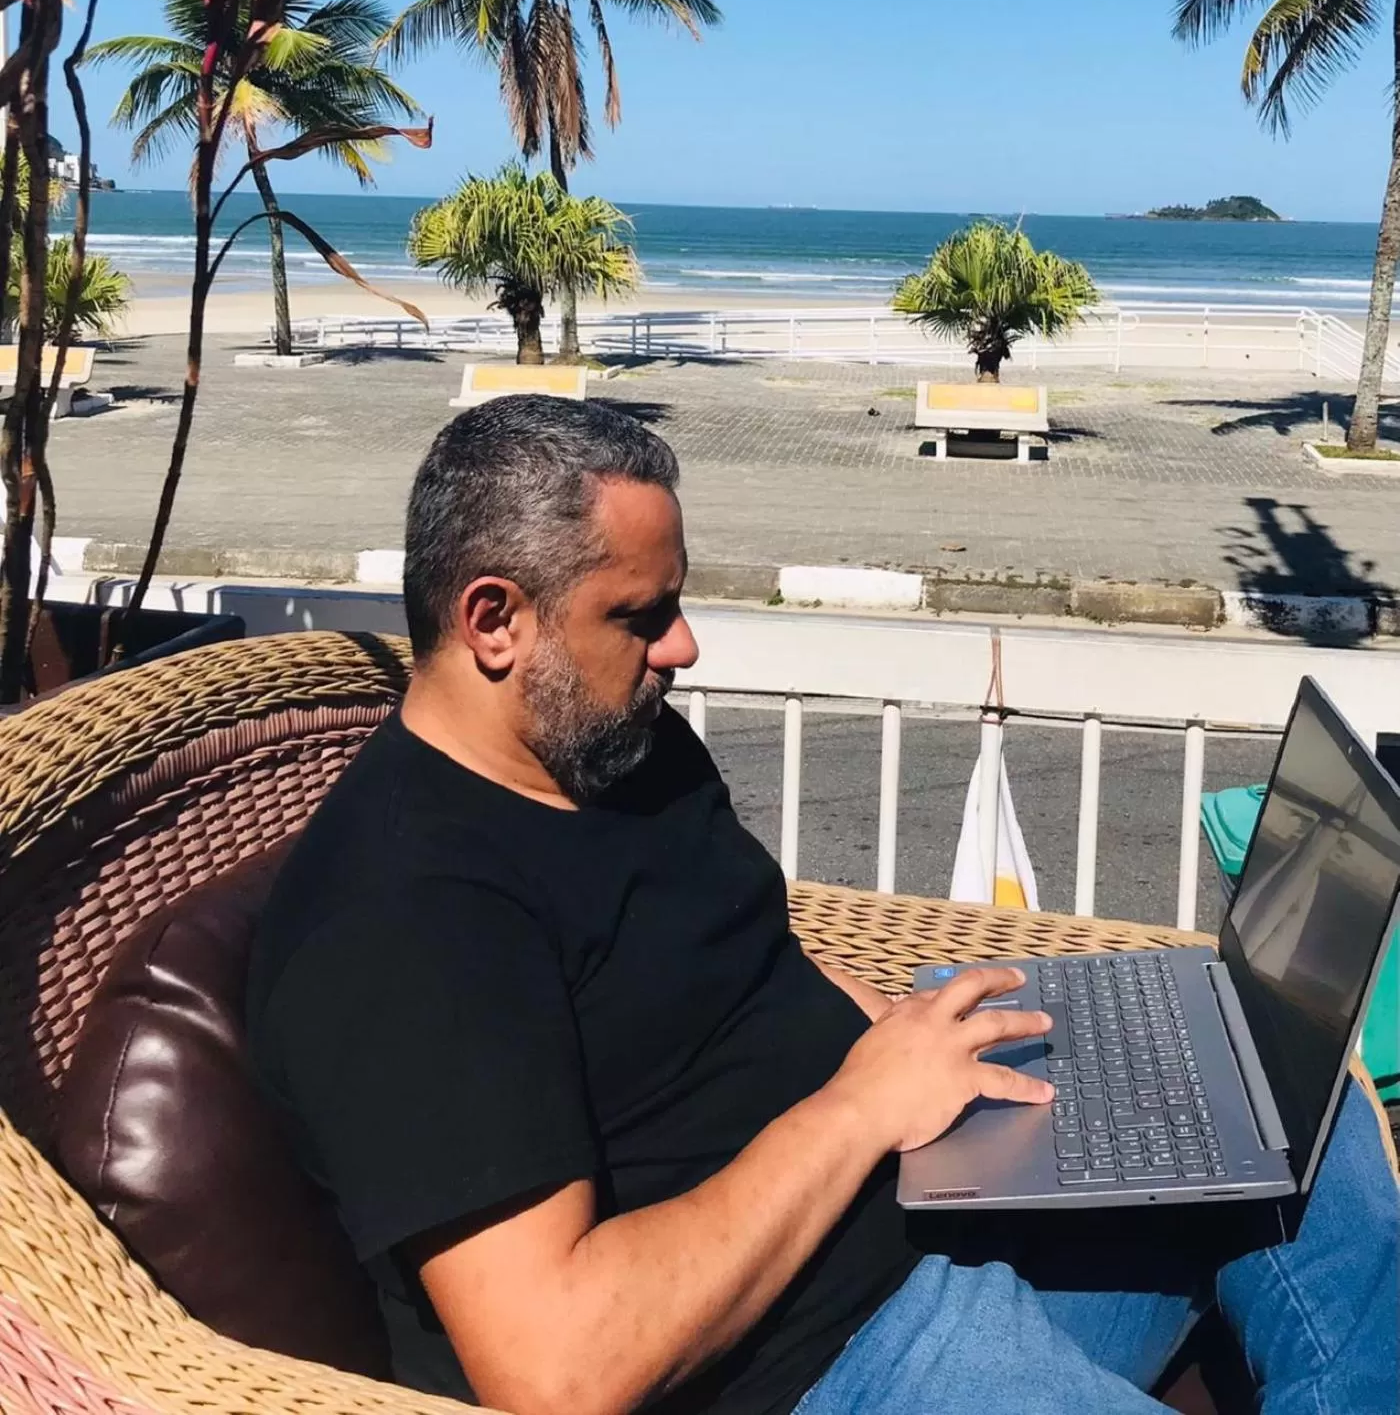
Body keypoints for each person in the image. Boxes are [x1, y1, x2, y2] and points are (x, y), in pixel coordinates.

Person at [247, 396, 1398, 1415]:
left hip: (935, 1208)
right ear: (493, 620)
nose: (682, 647)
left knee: (1281, 1087)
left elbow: (753, 964)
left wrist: (950, 1049)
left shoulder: (612, 751)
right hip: (827, 1359)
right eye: (640, 616)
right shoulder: (405, 921)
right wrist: (858, 1108)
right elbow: (560, 1366)